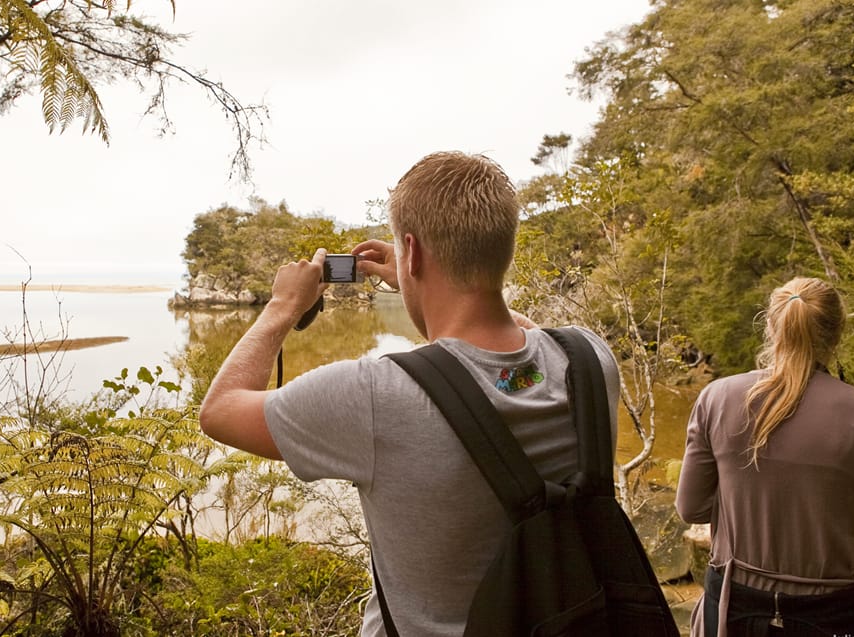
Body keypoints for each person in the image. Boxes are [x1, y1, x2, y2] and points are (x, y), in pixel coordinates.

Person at [198, 150, 620, 636]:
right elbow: (512, 345)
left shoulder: (373, 395)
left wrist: (282, 306)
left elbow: (220, 411)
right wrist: (420, 280)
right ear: (504, 247)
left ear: (412, 252)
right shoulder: (591, 360)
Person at [676, 276, 854, 637]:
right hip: (836, 614)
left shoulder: (717, 398)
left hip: (732, 611)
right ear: (837, 333)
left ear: (771, 327)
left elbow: (691, 508)